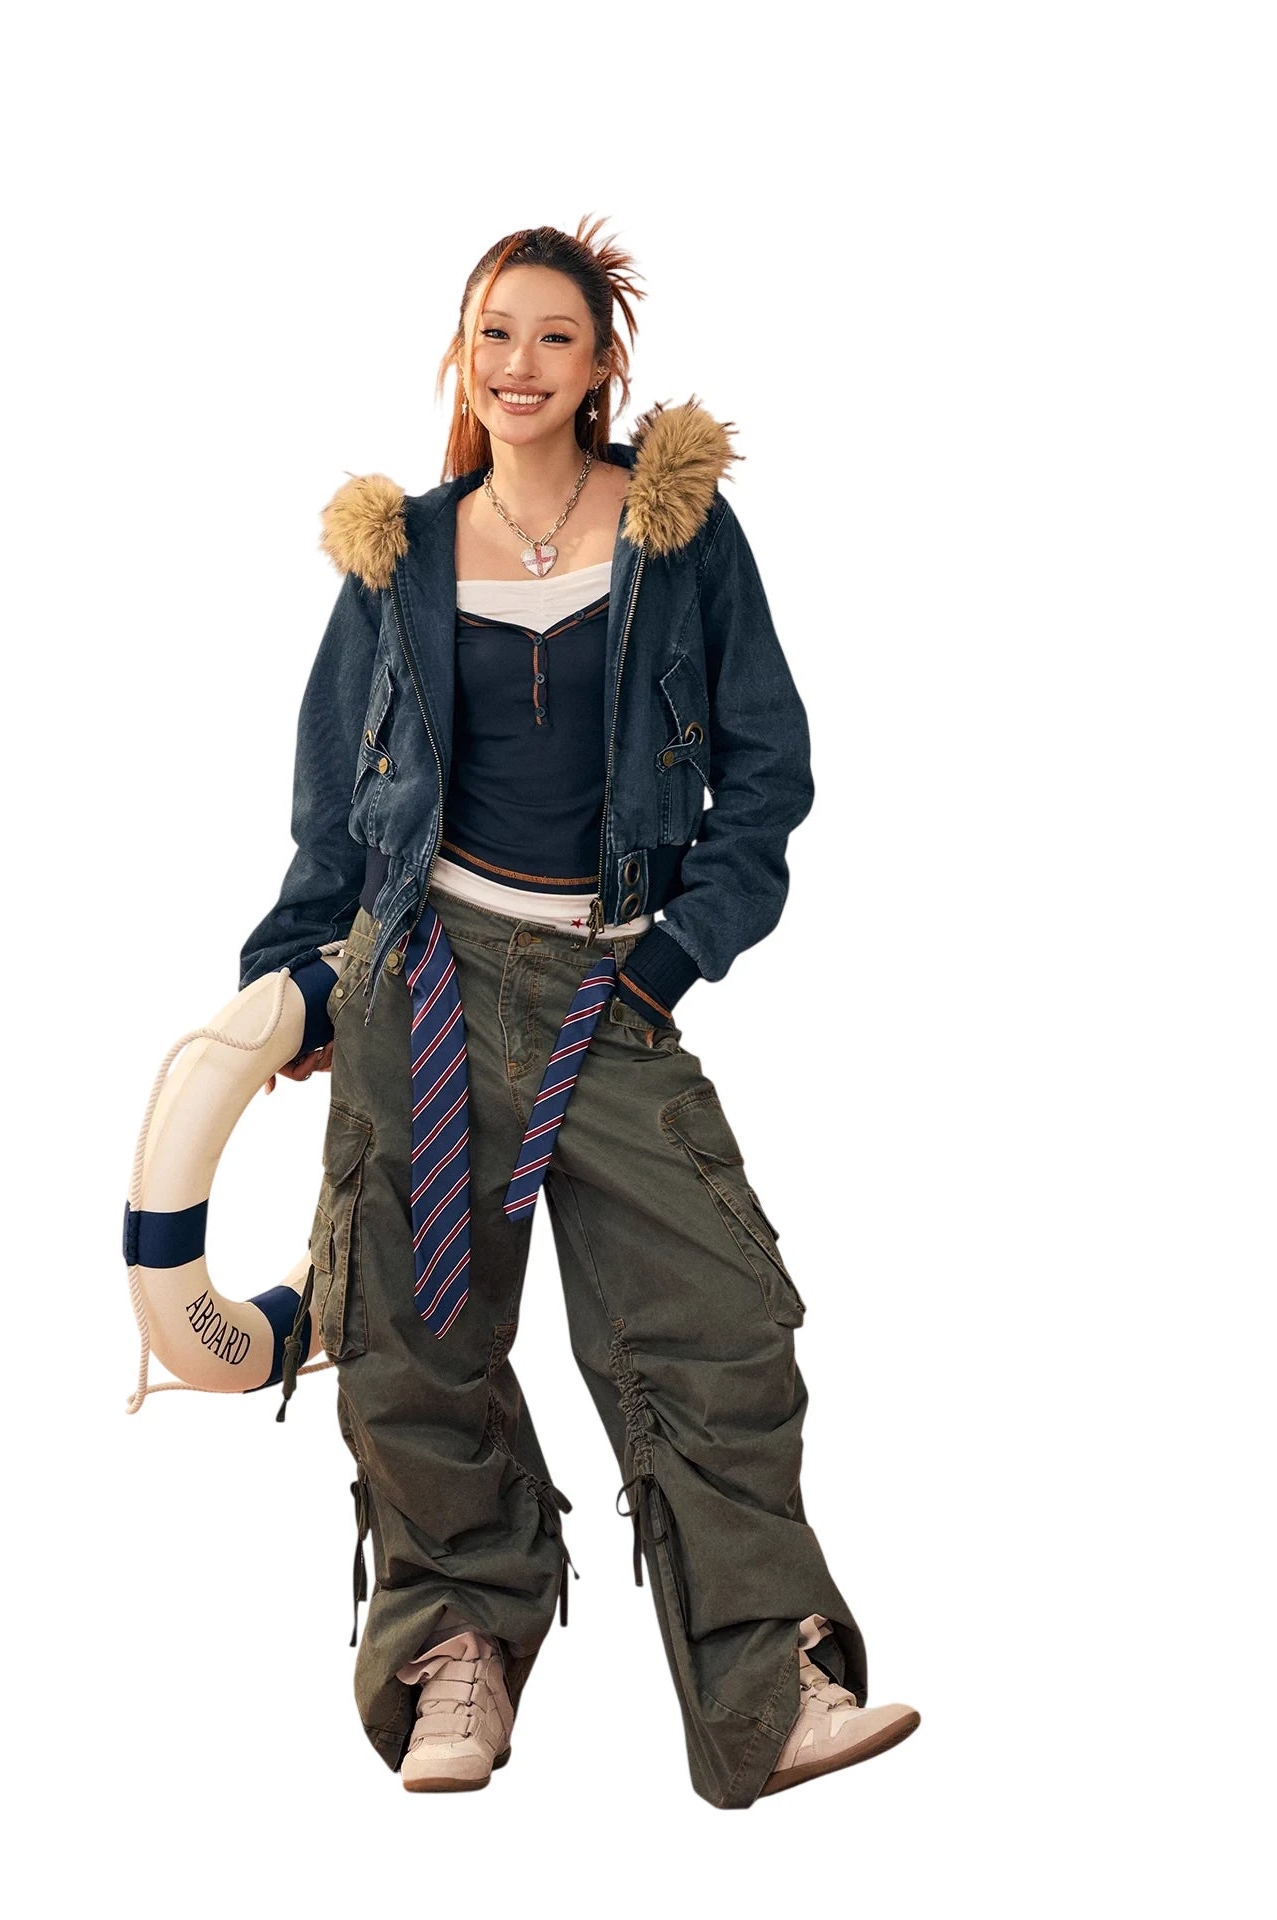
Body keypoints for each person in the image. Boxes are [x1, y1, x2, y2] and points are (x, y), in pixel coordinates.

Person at [239, 217, 919, 1808]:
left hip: (605, 978)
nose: (520, 364)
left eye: (554, 335)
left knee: (716, 1317)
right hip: (418, 972)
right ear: (461, 355)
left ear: (604, 362)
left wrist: (676, 956)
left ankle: (770, 1688)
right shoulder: (400, 554)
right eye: (495, 332)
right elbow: (334, 802)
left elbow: (767, 774)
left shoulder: (681, 539)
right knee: (412, 1337)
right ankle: (456, 1652)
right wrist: (294, 969)